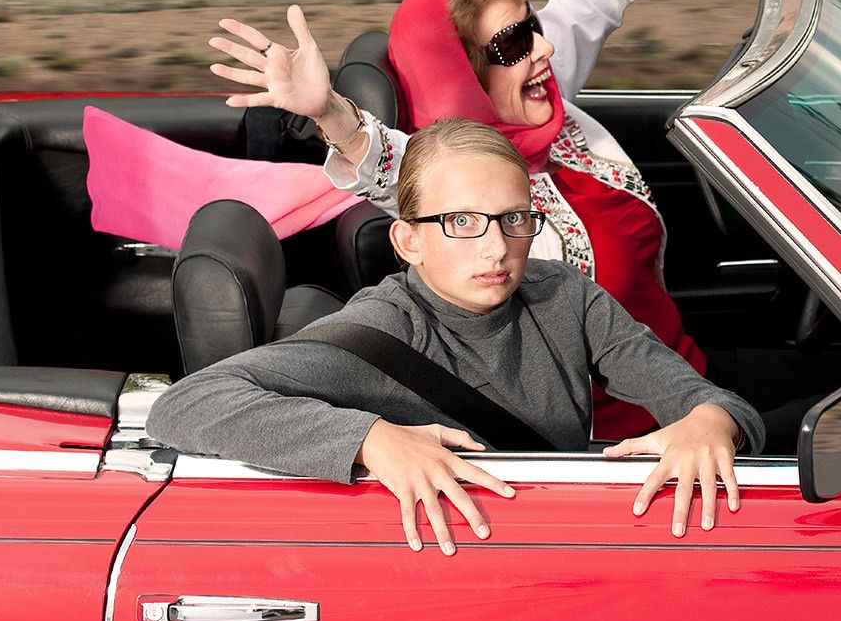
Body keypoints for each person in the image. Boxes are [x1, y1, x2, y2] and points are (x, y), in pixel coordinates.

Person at [209, 0, 697, 439]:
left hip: (683, 386)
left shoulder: (536, 78)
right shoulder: (465, 178)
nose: (542, 52)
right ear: (462, 78)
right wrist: (329, 114)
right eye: (510, 47)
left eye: (531, 26)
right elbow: (385, 160)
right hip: (612, 446)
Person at [147, 118, 763, 550]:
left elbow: (700, 398)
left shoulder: (564, 294)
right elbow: (186, 403)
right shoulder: (380, 328)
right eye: (462, 222)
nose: (497, 248)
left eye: (513, 219)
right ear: (408, 240)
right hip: (458, 556)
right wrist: (372, 440)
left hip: (562, 534)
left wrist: (712, 422)